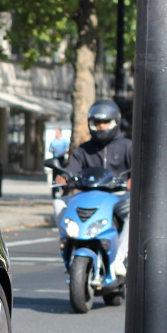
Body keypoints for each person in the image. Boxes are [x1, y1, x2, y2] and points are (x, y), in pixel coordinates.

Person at [55, 98, 132, 276]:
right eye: (97, 122)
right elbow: (71, 169)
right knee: (59, 204)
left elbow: (139, 167)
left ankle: (120, 258)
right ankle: (69, 242)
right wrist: (64, 177)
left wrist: (133, 180)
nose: (101, 126)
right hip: (87, 196)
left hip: (118, 196)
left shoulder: (127, 146)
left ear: (115, 122)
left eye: (105, 122)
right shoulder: (83, 149)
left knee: (135, 212)